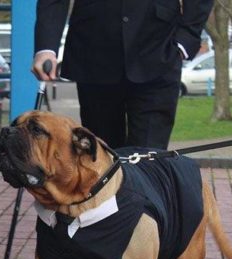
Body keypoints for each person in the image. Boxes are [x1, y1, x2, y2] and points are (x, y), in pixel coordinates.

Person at [32, 0, 215, 150]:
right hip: (93, 54)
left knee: (148, 159)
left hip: (159, 51)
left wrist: (186, 39)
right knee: (102, 160)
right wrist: (46, 49)